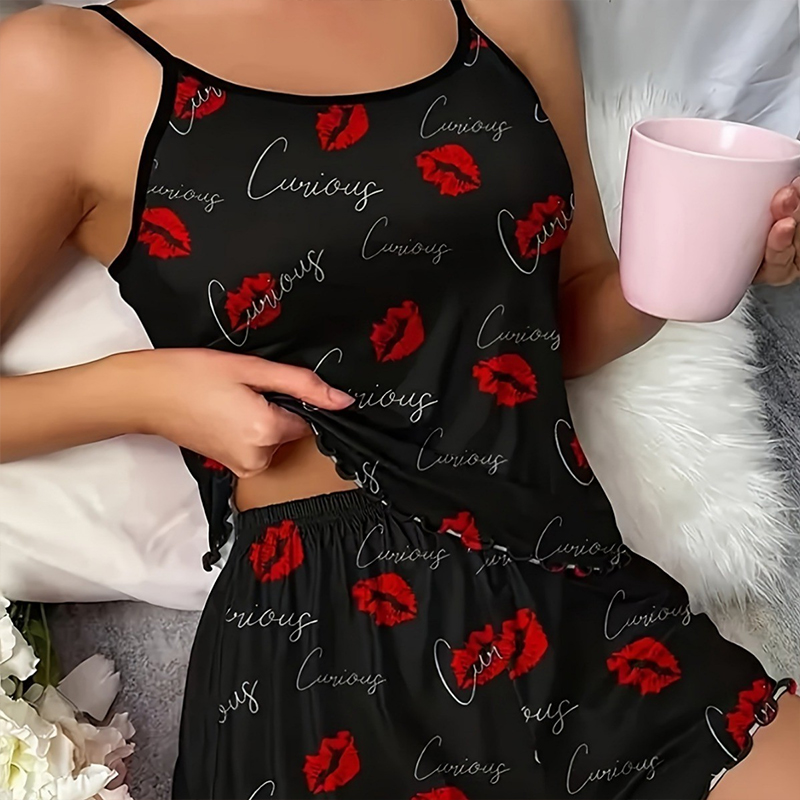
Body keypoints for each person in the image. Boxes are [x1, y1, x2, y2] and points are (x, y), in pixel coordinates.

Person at [1, 1, 798, 797]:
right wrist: (141, 391)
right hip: (326, 649)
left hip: (577, 591)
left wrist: (710, 260)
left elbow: (560, 321)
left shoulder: (504, 8)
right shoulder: (62, 70)